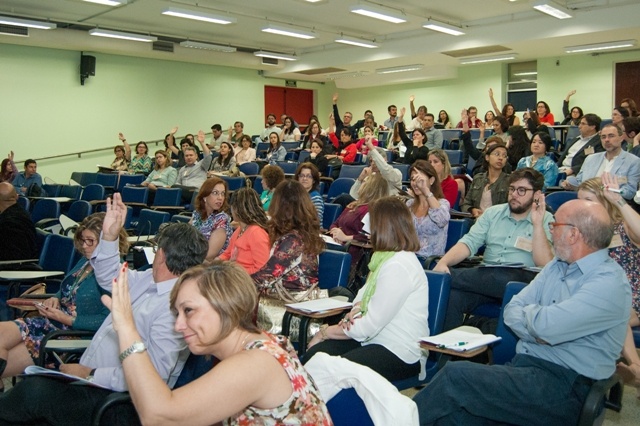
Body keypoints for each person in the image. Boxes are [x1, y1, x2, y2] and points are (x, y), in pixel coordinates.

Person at [414, 199, 631, 425]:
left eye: (554, 226)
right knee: (452, 417)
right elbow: (512, 310)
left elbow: (547, 328)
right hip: (525, 371)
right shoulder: (557, 266)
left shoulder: (609, 283)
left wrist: (539, 325)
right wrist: (539, 328)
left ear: (573, 234)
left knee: (454, 378)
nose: (551, 231)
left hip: (565, 387)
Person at [0, 198, 208, 425]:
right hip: (95, 383)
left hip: (118, 400)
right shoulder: (150, 280)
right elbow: (111, 278)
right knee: (30, 395)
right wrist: (109, 237)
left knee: (32, 394)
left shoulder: (175, 309)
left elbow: (153, 377)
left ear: (162, 255)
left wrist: (89, 373)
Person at [104, 259, 332, 425]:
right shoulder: (262, 345)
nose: (178, 325)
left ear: (225, 306)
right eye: (177, 314)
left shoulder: (255, 363)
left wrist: (126, 329)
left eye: (189, 310)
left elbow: (159, 415)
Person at [304, 196, 429, 382]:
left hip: (399, 350)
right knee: (316, 356)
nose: (367, 233)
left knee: (335, 371)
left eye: (371, 227)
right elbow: (360, 299)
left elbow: (369, 326)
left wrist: (325, 332)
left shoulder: (399, 265)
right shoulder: (383, 258)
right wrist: (355, 310)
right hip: (372, 340)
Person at [0, 213, 127, 380]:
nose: (85, 246)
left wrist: (67, 319)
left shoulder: (116, 272)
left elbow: (108, 320)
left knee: (6, 361)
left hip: (72, 333)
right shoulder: (86, 261)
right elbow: (69, 287)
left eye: (90, 241)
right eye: (83, 240)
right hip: (52, 323)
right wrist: (56, 297)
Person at [435, 168, 554, 331]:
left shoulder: (547, 219)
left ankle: (445, 276)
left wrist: (537, 224)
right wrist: (443, 263)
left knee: (501, 276)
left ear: (537, 194)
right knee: (452, 297)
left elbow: (544, 264)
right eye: (512, 189)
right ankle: (448, 353)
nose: (514, 194)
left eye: (522, 190)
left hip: (521, 282)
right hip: (487, 280)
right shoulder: (492, 213)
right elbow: (469, 243)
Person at [577, 174, 640, 394]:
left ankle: (634, 368)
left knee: (612, 313)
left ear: (604, 201)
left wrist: (619, 201)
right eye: (579, 200)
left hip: (631, 293)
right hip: (598, 292)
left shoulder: (623, 226)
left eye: (588, 200)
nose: (582, 206)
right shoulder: (585, 231)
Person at [251, 180, 325, 293]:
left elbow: (263, 278)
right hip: (287, 298)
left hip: (292, 303)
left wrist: (228, 283)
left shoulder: (293, 241)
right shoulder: (300, 234)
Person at [564, 123, 640, 200]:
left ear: (621, 138)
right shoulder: (590, 159)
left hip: (612, 205)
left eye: (611, 136)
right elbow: (579, 181)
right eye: (603, 137)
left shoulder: (633, 162)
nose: (606, 140)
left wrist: (607, 190)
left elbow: (630, 192)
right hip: (586, 201)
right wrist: (569, 183)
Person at [329, 173, 387, 266]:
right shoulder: (353, 204)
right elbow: (335, 223)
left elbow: (368, 236)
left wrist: (345, 237)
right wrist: (335, 233)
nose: (361, 184)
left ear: (371, 188)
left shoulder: (373, 209)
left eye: (364, 182)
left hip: (353, 253)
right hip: (337, 244)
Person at [217, 188, 270, 274]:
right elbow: (227, 254)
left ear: (238, 209)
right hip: (233, 275)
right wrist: (213, 264)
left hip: (245, 281)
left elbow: (262, 270)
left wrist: (234, 271)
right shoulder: (240, 229)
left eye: (233, 206)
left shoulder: (257, 233)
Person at [407, 160, 450, 259]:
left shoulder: (442, 203)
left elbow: (442, 220)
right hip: (410, 259)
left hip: (431, 262)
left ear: (431, 180)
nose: (416, 183)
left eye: (420, 179)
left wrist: (426, 190)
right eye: (413, 179)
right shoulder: (409, 205)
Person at [461, 143, 510, 217]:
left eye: (504, 156)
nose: (501, 158)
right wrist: (472, 210)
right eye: (497, 154)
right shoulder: (478, 178)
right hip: (477, 221)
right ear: (487, 157)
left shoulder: (510, 181)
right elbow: (466, 203)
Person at [191, 177, 233, 262]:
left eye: (222, 194)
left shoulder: (222, 220)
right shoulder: (197, 214)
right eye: (215, 193)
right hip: (192, 260)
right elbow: (184, 238)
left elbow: (209, 256)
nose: (220, 198)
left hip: (210, 268)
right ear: (205, 196)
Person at [0, 182, 37, 261]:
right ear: (16, 196)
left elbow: (15, 256)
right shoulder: (18, 212)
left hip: (13, 268)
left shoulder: (11, 223)